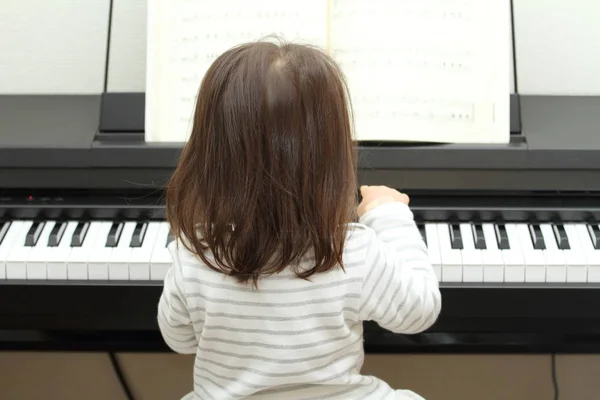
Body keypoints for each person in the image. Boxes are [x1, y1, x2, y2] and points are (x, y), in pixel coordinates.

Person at [157, 38, 441, 400]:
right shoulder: (352, 250)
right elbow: (420, 312)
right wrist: (389, 213)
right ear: (331, 154)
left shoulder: (193, 255)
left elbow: (179, 340)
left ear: (211, 154)